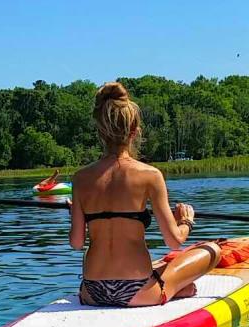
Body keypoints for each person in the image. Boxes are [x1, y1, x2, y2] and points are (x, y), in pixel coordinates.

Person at [69, 82, 219, 307]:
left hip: (92, 290)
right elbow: (174, 241)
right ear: (134, 131)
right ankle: (172, 288)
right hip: (137, 291)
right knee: (213, 250)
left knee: (161, 267)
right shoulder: (150, 175)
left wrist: (76, 214)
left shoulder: (81, 178)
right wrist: (186, 220)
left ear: (100, 131)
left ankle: (173, 286)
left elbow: (77, 243)